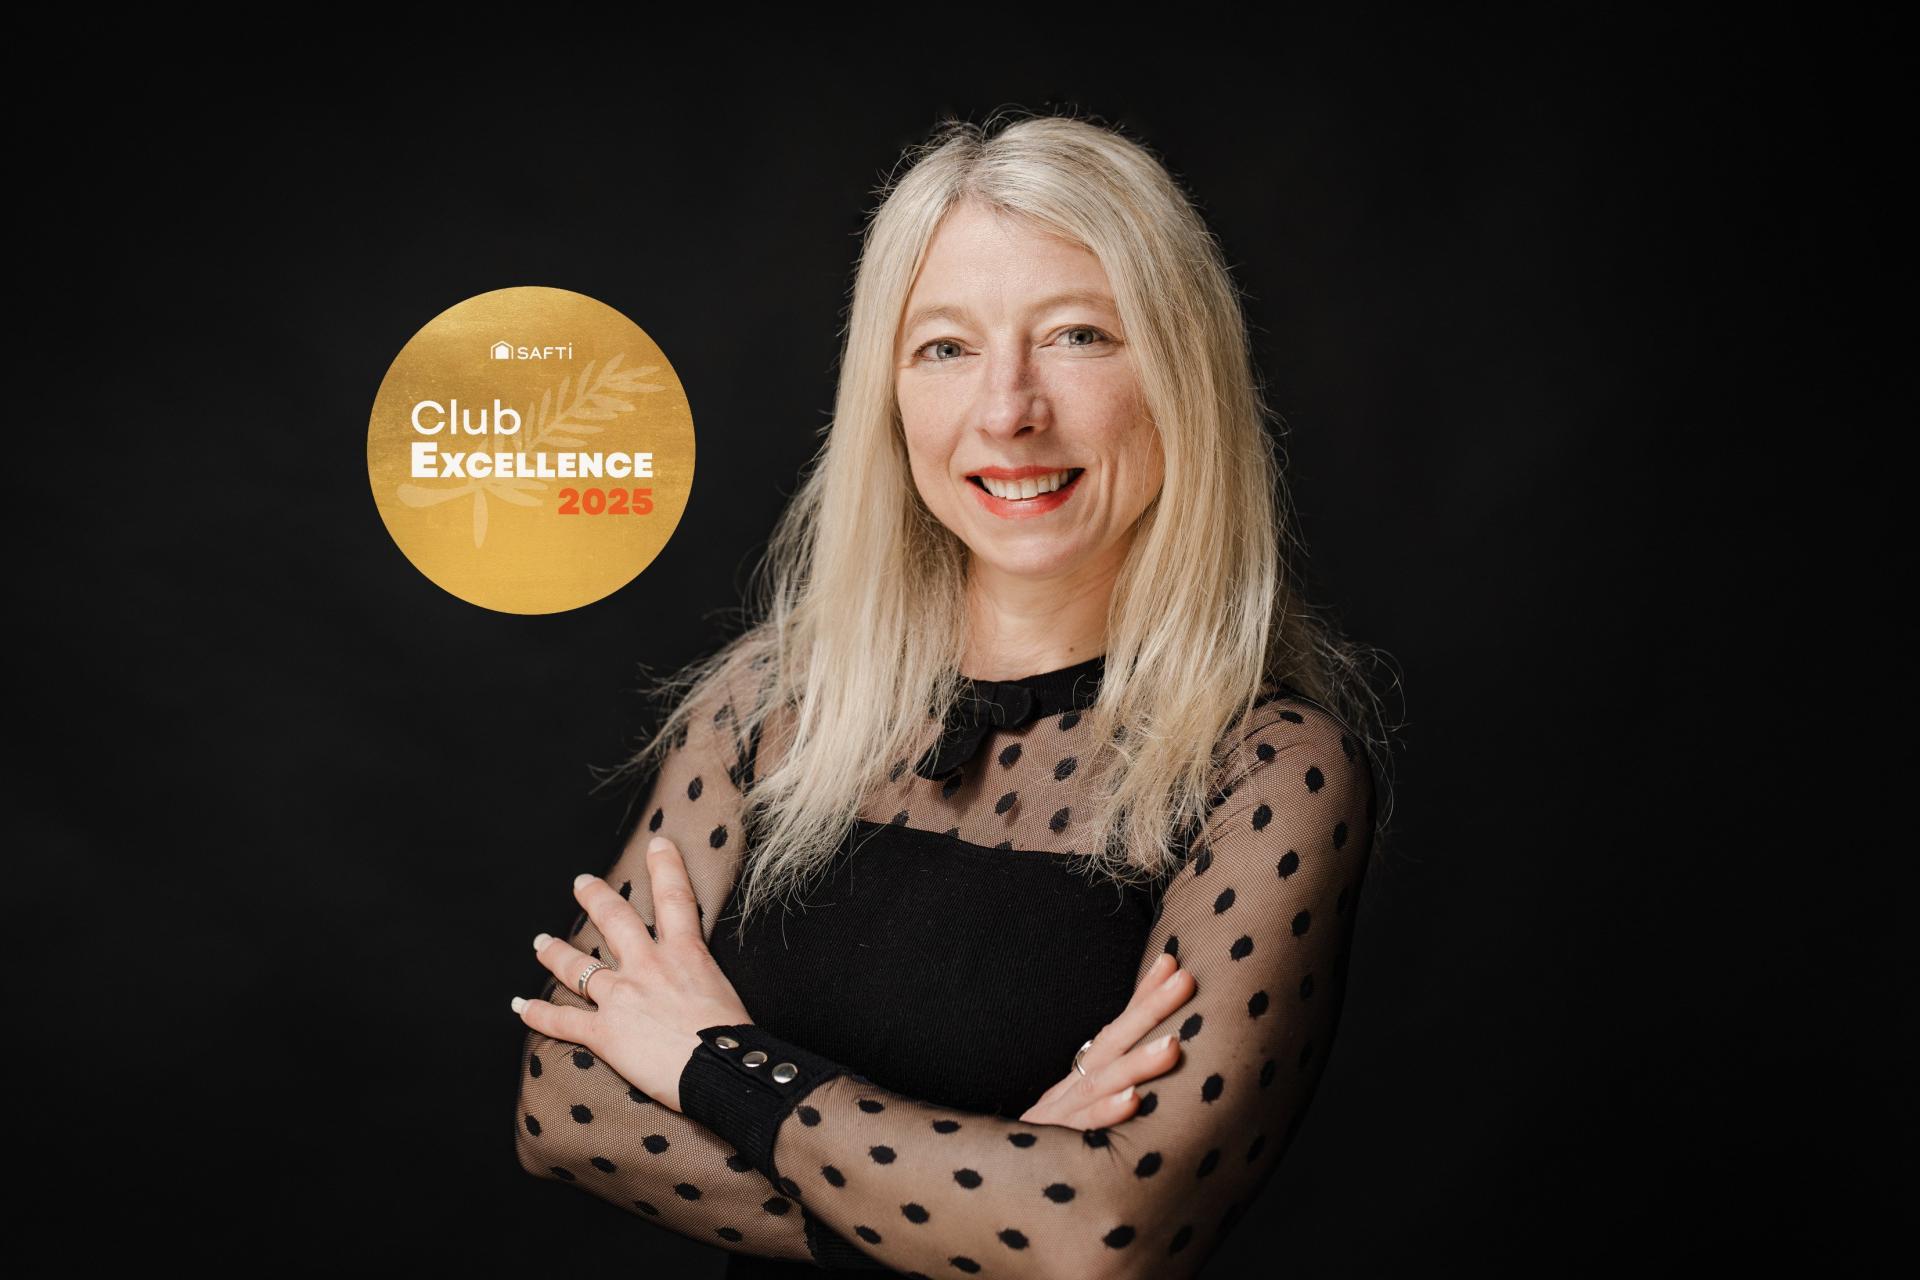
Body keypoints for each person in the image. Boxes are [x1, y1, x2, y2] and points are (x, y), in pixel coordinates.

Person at [510, 110, 1396, 1279]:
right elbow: (566, 1110)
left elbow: (1102, 1232)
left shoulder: (1269, 771)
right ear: (887, 394)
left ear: (1182, 371)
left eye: (1079, 335)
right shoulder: (767, 704)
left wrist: (712, 1057)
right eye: (945, 347)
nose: (1007, 410)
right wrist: (989, 1193)